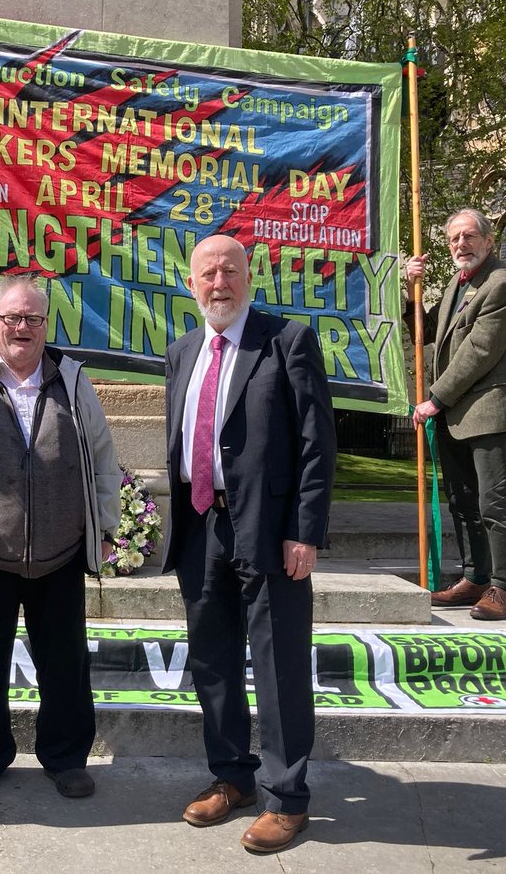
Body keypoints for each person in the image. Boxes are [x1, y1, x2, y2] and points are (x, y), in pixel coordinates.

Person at [163, 234, 335, 853]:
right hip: (201, 527)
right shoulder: (183, 351)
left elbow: (317, 444)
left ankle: (287, 798)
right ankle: (231, 777)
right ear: (192, 284)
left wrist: (305, 530)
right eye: (207, 273)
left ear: (248, 277)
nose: (219, 283)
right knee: (211, 660)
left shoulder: (286, 341)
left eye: (229, 271)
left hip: (269, 529)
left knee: (279, 662)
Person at [0, 273, 121, 802]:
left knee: (65, 664)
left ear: (46, 325)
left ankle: (65, 758)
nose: (22, 328)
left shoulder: (72, 380)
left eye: (33, 319)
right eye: (12, 318)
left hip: (59, 553)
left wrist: (105, 525)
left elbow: (104, 459)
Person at [405, 208, 506, 620]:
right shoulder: (458, 284)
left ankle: (504, 587)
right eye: (454, 238)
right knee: (462, 502)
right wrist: (411, 290)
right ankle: (475, 577)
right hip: (454, 413)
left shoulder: (502, 285)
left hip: (490, 412)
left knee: (493, 502)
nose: (461, 244)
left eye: (470, 236)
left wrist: (434, 398)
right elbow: (425, 332)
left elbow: (479, 352)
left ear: (489, 241)